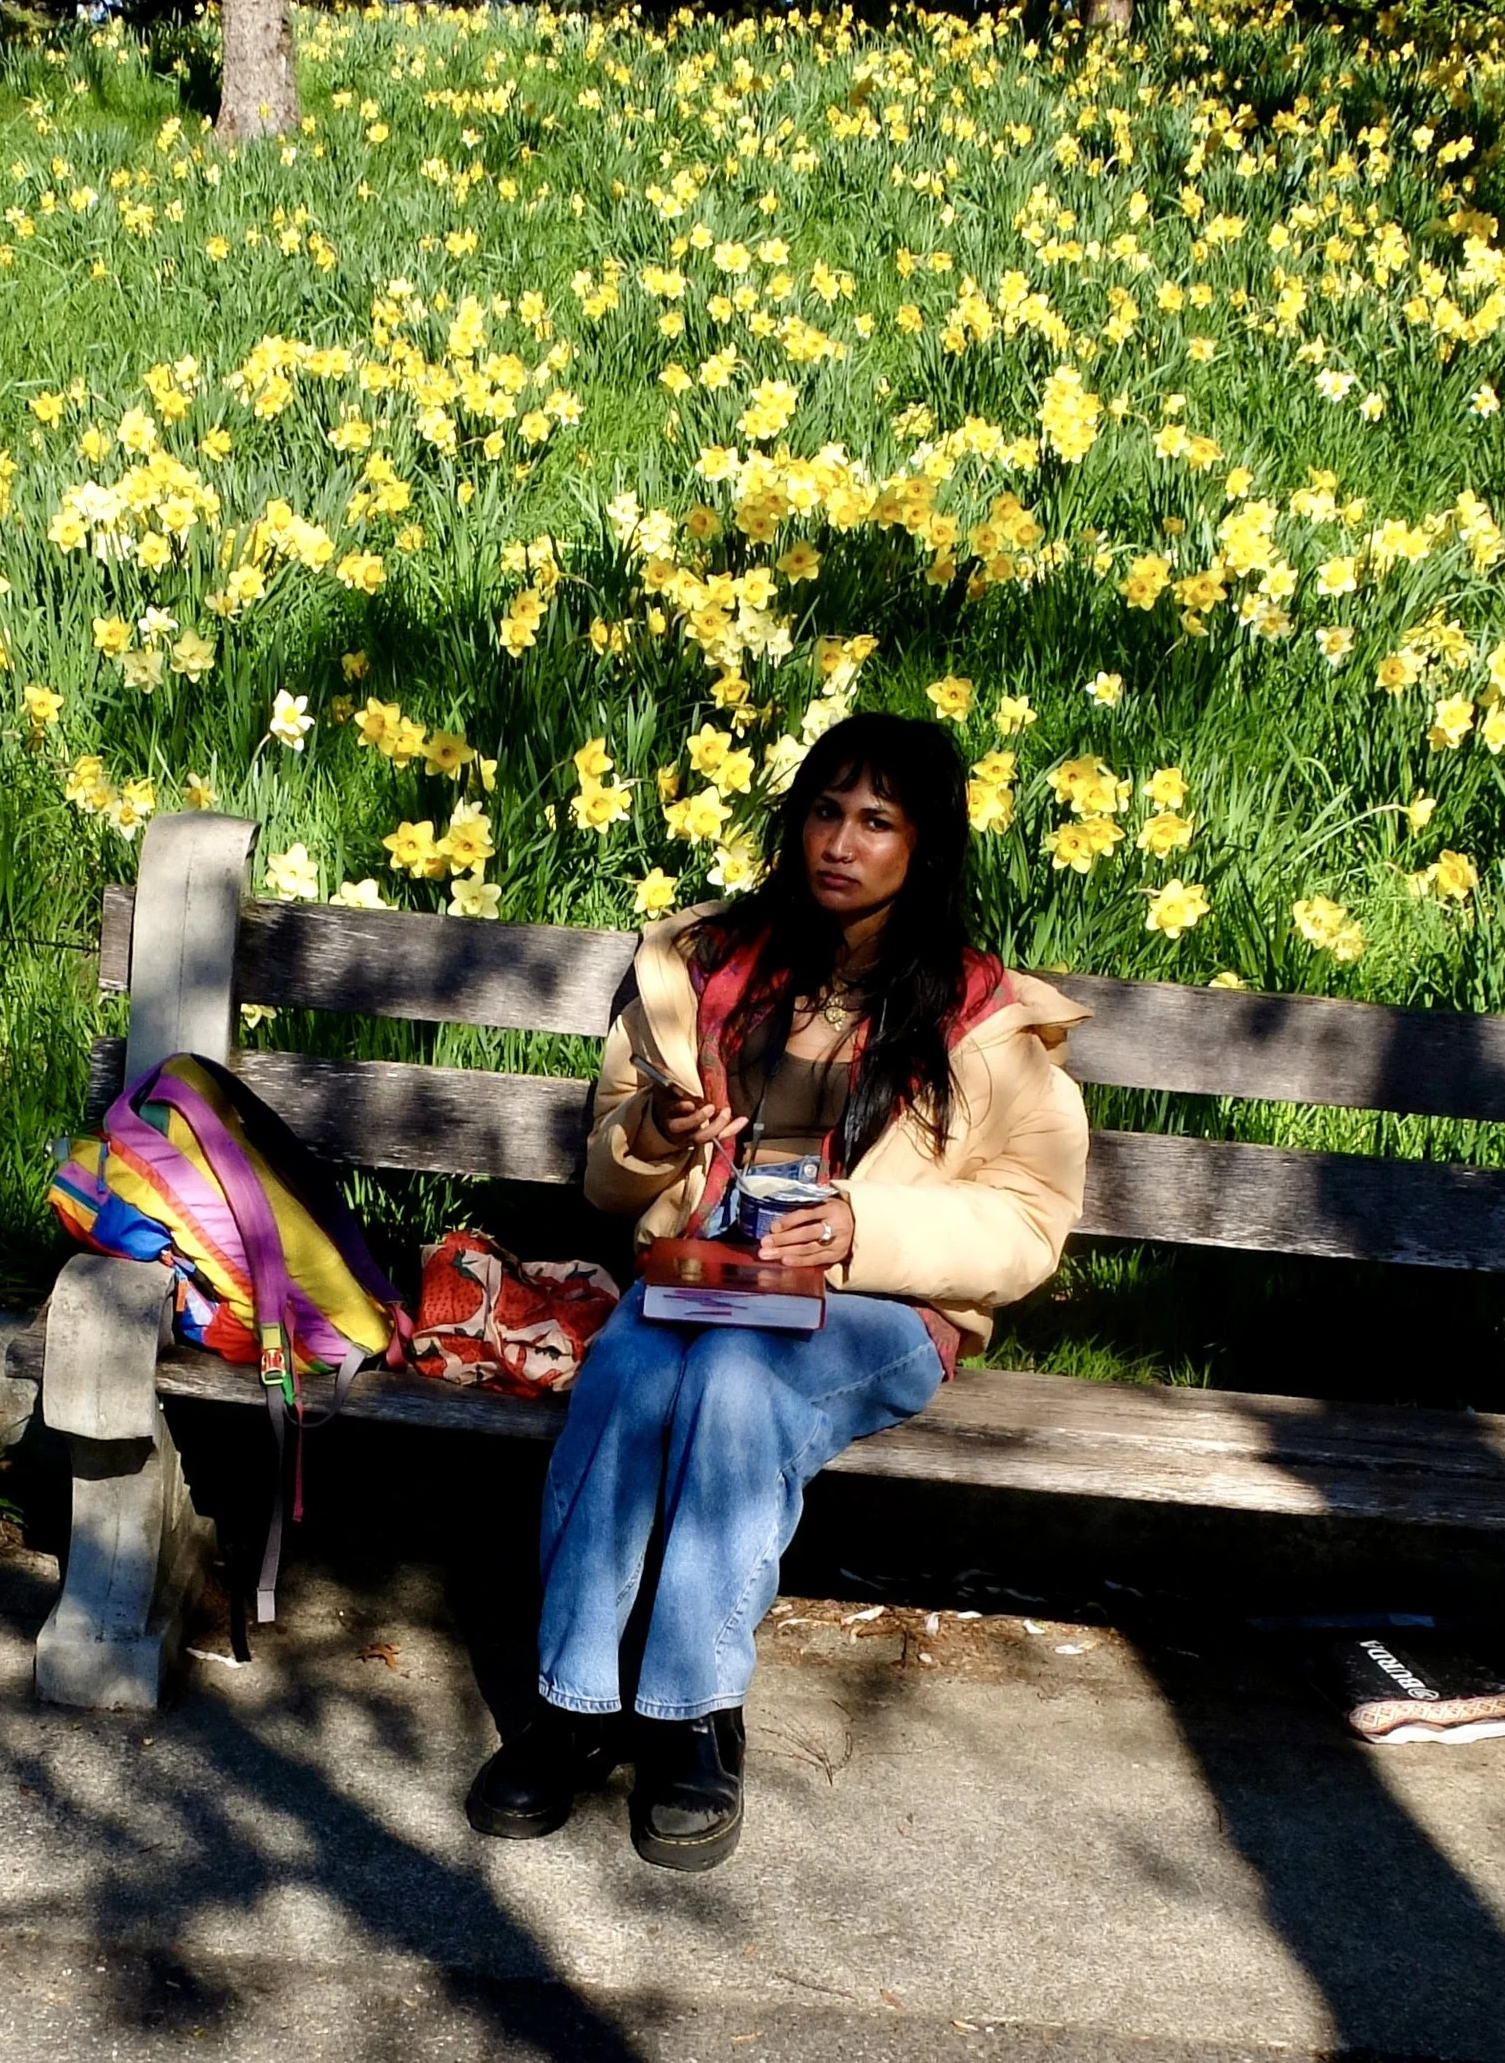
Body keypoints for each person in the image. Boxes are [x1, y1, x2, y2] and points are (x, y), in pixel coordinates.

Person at [466, 710, 1091, 1870]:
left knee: (739, 1382)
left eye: (877, 821)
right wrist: (656, 1132)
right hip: (703, 1276)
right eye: (824, 811)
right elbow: (608, 1175)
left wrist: (864, 1228)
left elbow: (1028, 1220)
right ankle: (574, 1704)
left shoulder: (977, 1014)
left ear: (925, 845)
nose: (841, 843)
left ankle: (691, 1715)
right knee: (631, 1369)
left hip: (875, 1306)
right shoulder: (708, 969)